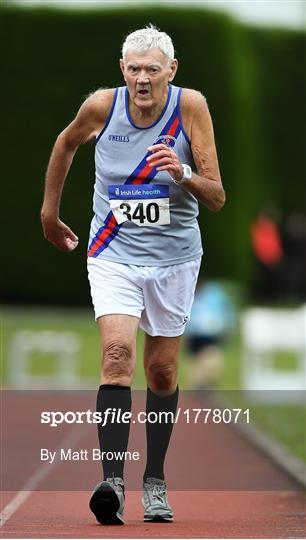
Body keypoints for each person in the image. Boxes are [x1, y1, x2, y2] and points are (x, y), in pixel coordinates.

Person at [41, 25, 225, 525]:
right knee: (117, 355)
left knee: (161, 371)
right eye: (134, 69)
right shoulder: (103, 106)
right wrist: (49, 214)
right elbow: (65, 144)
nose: (143, 79)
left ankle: (156, 479)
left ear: (172, 70)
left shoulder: (191, 109)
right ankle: (113, 483)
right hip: (112, 253)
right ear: (123, 70)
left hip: (174, 260)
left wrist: (182, 173)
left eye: (152, 69)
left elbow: (217, 196)